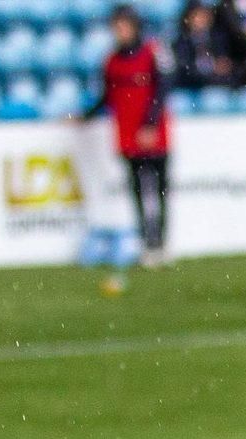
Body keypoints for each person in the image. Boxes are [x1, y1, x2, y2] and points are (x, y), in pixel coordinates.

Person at [86, 4, 170, 262]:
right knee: (137, 190)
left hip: (152, 133)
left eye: (124, 25)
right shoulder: (111, 60)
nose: (120, 31)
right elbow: (107, 96)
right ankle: (145, 242)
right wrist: (85, 115)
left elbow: (162, 90)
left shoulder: (153, 52)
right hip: (127, 134)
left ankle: (160, 242)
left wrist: (150, 124)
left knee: (159, 189)